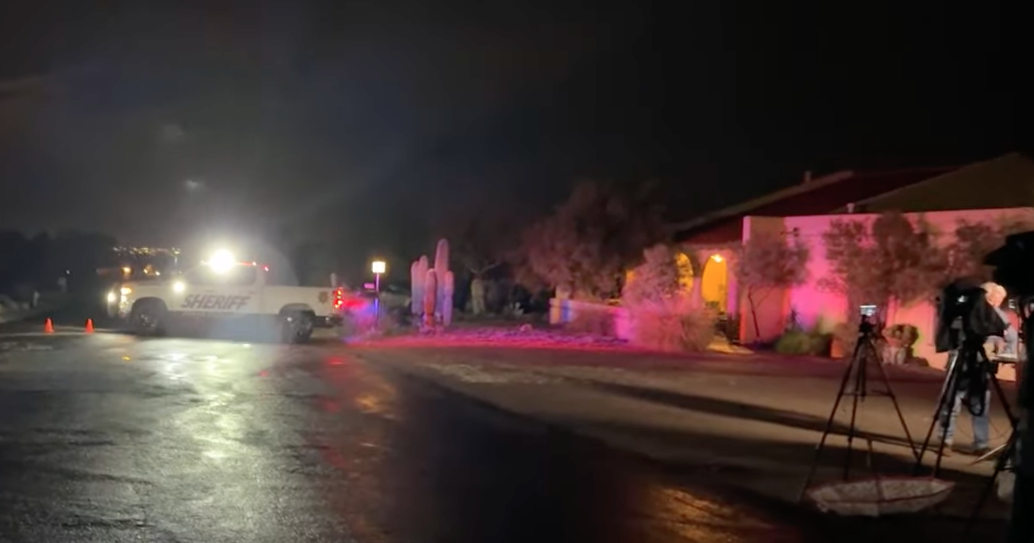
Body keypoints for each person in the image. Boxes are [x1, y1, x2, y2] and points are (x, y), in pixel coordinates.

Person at [936, 282, 1008, 456]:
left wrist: (998, 347)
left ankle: (981, 443)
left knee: (981, 403)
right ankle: (945, 439)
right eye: (994, 299)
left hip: (981, 364)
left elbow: (1007, 334)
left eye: (999, 301)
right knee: (952, 402)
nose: (996, 304)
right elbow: (950, 330)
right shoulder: (965, 312)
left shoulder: (995, 316)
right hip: (961, 358)